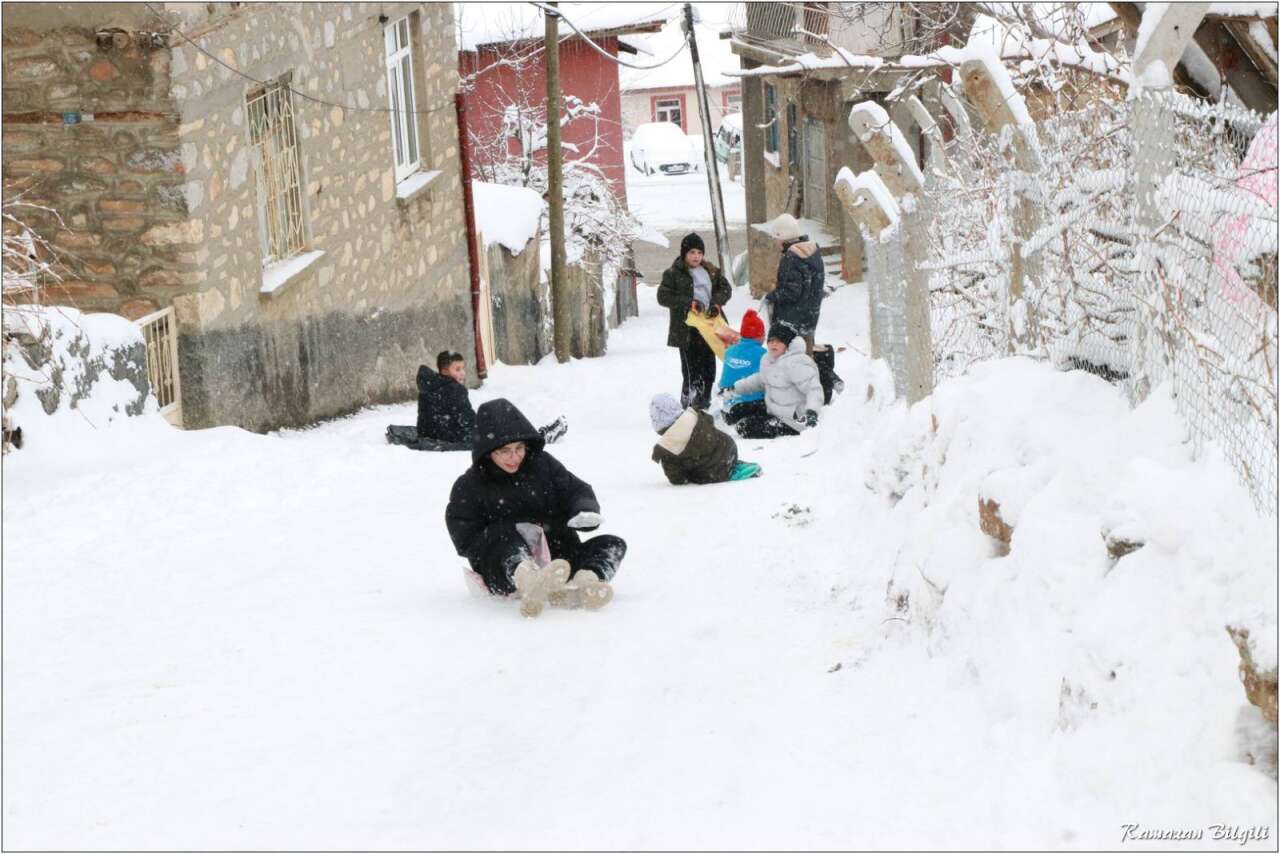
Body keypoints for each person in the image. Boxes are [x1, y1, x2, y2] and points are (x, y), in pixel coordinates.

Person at [445, 398, 626, 617]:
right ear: (488, 451)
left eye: (519, 448)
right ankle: (530, 582)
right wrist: (507, 536)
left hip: (558, 560)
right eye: (504, 451)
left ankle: (584, 582)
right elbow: (465, 535)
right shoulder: (470, 485)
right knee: (503, 536)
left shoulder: (542, 464)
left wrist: (583, 509)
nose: (515, 457)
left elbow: (574, 489)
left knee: (613, 544)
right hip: (505, 567)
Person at [388, 351, 567, 451]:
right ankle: (537, 438)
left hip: (433, 433)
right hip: (452, 435)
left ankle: (532, 434)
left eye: (463, 369)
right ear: (444, 371)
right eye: (457, 369)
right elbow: (466, 421)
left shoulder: (430, 386)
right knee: (500, 412)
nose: (462, 373)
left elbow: (433, 418)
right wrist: (486, 428)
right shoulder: (454, 389)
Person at [657, 232, 732, 411]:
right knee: (691, 368)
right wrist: (688, 303)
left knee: (708, 366)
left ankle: (704, 400)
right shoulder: (673, 273)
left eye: (699, 252)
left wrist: (716, 303)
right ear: (684, 253)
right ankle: (690, 402)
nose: (696, 256)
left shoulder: (711, 270)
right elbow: (663, 296)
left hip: (710, 325)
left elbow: (725, 289)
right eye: (692, 252)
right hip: (687, 328)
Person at [726, 325, 823, 439]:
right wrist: (735, 388)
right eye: (771, 341)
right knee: (737, 410)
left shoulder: (797, 363)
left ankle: (780, 427)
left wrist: (812, 412)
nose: (773, 344)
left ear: (788, 345)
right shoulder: (769, 359)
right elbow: (760, 379)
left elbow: (814, 389)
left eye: (778, 341)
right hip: (774, 407)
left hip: (792, 417)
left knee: (745, 427)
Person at [649, 393, 761, 485]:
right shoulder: (693, 415)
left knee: (698, 470)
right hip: (728, 446)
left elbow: (677, 479)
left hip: (714, 471)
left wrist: (683, 476)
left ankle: (726, 469)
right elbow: (710, 421)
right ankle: (730, 464)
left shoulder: (667, 447)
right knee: (708, 449)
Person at [763, 213, 825, 355]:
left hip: (791, 323)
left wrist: (772, 296)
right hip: (809, 319)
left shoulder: (791, 258)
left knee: (790, 363)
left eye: (777, 238)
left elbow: (792, 292)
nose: (776, 241)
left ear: (783, 237)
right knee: (805, 360)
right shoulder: (813, 253)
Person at [717, 308, 767, 426]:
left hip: (728, 405)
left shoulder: (730, 350)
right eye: (763, 334)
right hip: (749, 406)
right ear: (759, 336)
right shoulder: (763, 354)